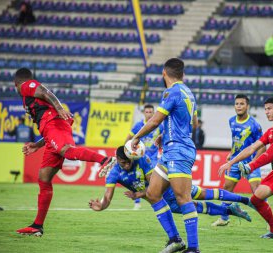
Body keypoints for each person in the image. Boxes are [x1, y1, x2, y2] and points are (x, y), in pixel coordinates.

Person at [13, 68, 116, 236]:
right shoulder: (30, 99)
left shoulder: (25, 86)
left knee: (67, 151)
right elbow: (48, 131)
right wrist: (37, 146)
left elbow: (45, 92)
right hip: (49, 131)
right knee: (44, 177)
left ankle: (105, 160)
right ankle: (37, 226)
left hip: (55, 124)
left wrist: (59, 108)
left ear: (15, 83)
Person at [131, 58, 200, 253]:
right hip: (170, 149)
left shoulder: (172, 91)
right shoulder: (189, 92)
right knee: (153, 193)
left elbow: (154, 120)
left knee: (183, 198)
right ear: (182, 74)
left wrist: (136, 138)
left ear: (164, 73)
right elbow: (193, 123)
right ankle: (175, 239)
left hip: (178, 150)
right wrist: (166, 133)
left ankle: (194, 248)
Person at [218, 97, 273, 239]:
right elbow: (251, 148)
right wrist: (231, 162)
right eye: (265, 109)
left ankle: (249, 167)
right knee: (256, 198)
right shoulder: (271, 131)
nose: (266, 112)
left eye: (269, 108)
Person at [89, 146, 252, 223]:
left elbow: (155, 186)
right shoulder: (114, 173)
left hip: (172, 187)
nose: (127, 165)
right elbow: (108, 197)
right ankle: (230, 211)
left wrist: (139, 194)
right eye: (123, 163)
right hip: (166, 202)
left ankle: (244, 200)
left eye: (128, 162)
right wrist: (102, 206)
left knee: (202, 194)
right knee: (197, 208)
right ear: (118, 161)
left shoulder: (141, 162)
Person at [212, 94, 265, 227]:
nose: (239, 106)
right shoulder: (231, 121)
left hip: (250, 163)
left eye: (242, 104)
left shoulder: (254, 125)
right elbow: (237, 141)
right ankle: (224, 218)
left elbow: (262, 146)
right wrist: (231, 153)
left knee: (257, 191)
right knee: (226, 189)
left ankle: (269, 221)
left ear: (247, 106)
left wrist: (254, 163)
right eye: (237, 104)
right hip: (235, 162)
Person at [125, 104, 164, 210]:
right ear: (143, 113)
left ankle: (158, 200)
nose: (148, 114)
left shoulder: (159, 125)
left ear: (154, 113)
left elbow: (164, 137)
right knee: (138, 178)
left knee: (156, 180)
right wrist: (125, 149)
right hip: (141, 158)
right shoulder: (138, 125)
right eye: (146, 112)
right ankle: (137, 202)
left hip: (154, 157)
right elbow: (129, 137)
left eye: (150, 112)